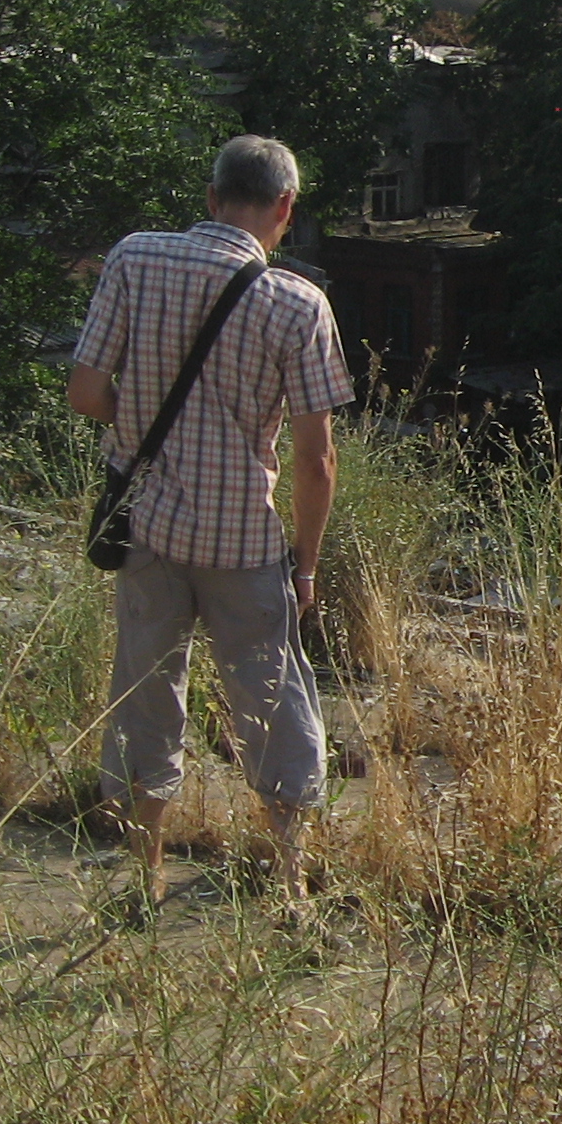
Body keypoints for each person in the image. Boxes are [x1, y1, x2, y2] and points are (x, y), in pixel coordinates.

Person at [66, 135, 353, 910]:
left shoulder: (134, 259)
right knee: (272, 703)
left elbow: (85, 392)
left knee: (147, 697)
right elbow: (316, 458)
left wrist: (142, 429)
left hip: (149, 529)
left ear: (211, 196)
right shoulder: (298, 303)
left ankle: (145, 878)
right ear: (285, 208)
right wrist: (305, 567)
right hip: (244, 542)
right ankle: (291, 887)